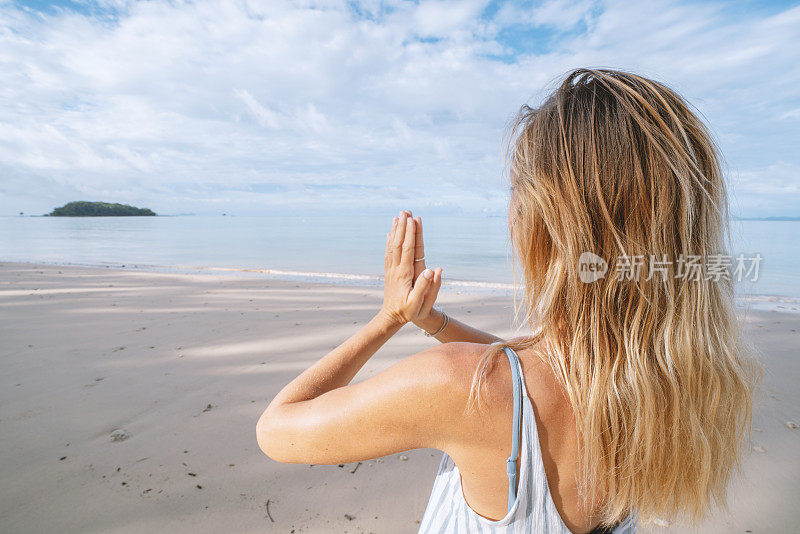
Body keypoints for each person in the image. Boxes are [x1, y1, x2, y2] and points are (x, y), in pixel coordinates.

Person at [256, 68, 759, 533]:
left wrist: (387, 319)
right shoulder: (668, 385)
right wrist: (433, 322)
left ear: (550, 222)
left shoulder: (460, 387)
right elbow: (527, 371)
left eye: (518, 189)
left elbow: (278, 429)